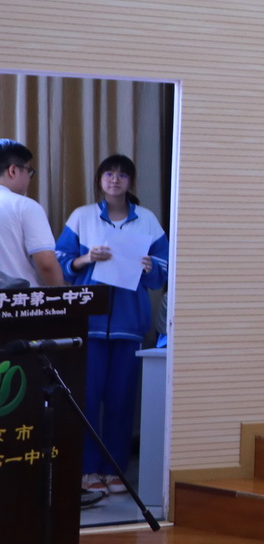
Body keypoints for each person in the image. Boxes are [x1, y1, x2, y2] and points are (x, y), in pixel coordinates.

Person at [55, 154, 169, 499]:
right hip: (88, 323)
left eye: (122, 175)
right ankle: (88, 469)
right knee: (86, 399)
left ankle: (114, 469)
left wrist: (150, 268)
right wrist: (86, 258)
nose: (115, 180)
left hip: (129, 325)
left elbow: (165, 270)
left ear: (131, 182)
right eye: (109, 174)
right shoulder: (83, 216)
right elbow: (59, 262)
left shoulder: (147, 220)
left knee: (121, 400)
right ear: (99, 180)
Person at [0, 139, 63, 288]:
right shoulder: (24, 206)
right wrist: (61, 297)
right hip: (19, 299)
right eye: (29, 171)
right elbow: (46, 264)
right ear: (13, 170)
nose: (29, 178)